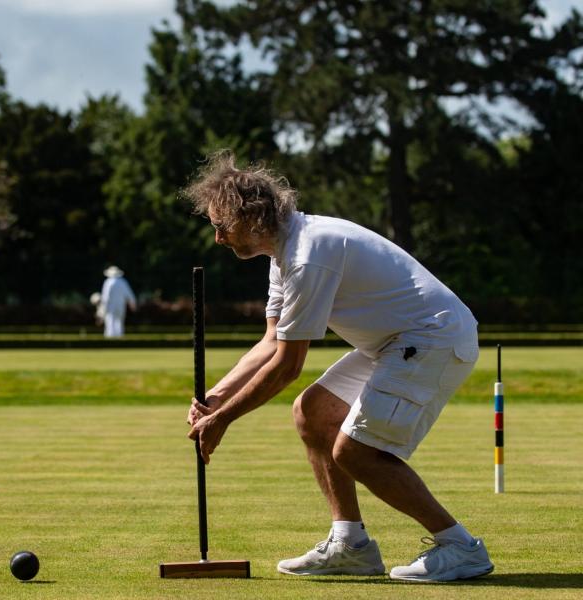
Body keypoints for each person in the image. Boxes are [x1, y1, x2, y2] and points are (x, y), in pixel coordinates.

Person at [183, 150, 493, 583]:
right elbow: (270, 342)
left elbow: (286, 367)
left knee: (357, 451)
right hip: (392, 343)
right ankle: (350, 544)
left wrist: (223, 420)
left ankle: (460, 546)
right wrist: (214, 397)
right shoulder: (283, 254)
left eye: (222, 227)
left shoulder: (309, 254)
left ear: (251, 217)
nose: (218, 238)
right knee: (312, 411)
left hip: (432, 339)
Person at [100, 265, 136, 338]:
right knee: (119, 322)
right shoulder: (123, 282)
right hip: (120, 306)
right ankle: (119, 337)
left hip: (110, 306)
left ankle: (110, 338)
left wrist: (103, 307)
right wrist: (133, 303)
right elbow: (129, 294)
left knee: (110, 321)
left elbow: (105, 297)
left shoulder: (108, 282)